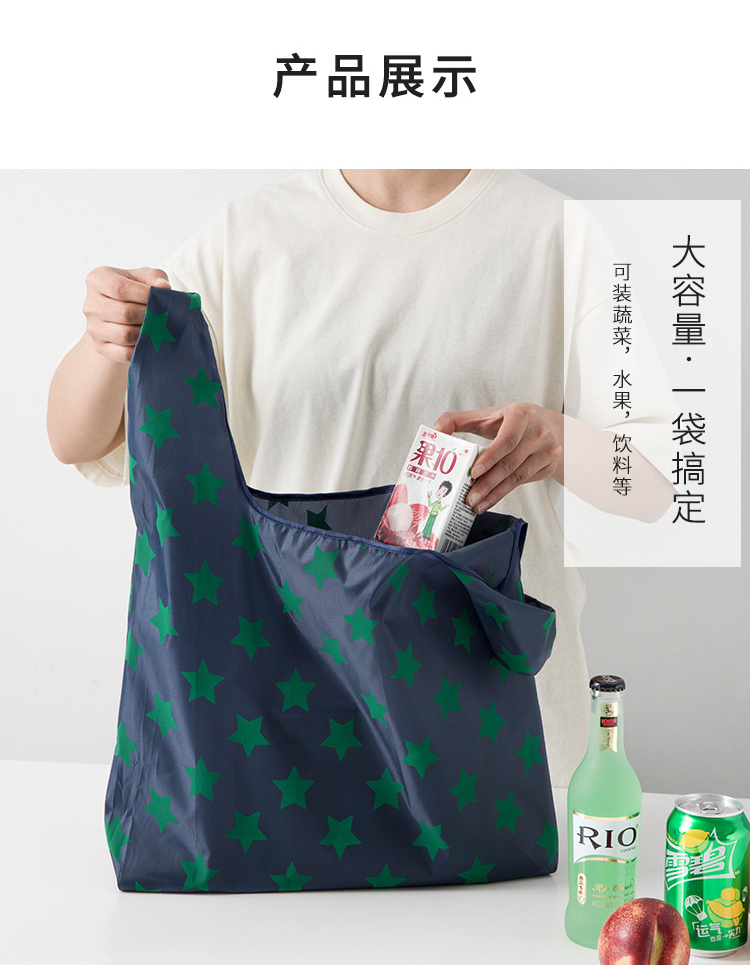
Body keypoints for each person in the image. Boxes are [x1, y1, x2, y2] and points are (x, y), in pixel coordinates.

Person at [46, 169, 675, 786]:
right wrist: (105, 337)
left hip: (490, 712)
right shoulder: (247, 235)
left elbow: (656, 482)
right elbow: (79, 441)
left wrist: (557, 440)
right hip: (292, 713)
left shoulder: (555, 231)